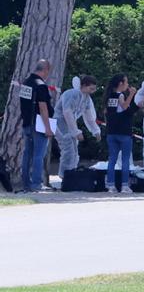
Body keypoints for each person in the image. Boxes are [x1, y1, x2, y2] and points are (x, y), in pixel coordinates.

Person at [17, 59, 54, 192]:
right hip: (38, 125)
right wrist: (48, 128)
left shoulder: (26, 83)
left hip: (27, 123)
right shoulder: (41, 85)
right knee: (39, 154)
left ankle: (26, 184)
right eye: (48, 72)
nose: (47, 74)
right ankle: (36, 184)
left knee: (27, 154)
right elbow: (43, 107)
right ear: (45, 70)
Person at [53, 75, 101, 176]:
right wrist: (75, 132)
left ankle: (72, 173)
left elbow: (89, 117)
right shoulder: (71, 94)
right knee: (68, 148)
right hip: (60, 122)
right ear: (83, 85)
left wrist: (95, 130)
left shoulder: (86, 99)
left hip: (70, 124)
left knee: (74, 151)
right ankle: (65, 175)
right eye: (91, 88)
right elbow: (67, 112)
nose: (92, 91)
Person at [104, 74, 136, 193]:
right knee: (125, 159)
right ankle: (124, 185)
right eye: (126, 82)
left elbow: (107, 112)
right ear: (121, 84)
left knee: (112, 159)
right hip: (123, 132)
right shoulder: (120, 95)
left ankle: (111, 185)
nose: (128, 85)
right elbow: (124, 106)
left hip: (111, 131)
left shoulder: (108, 97)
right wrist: (131, 94)